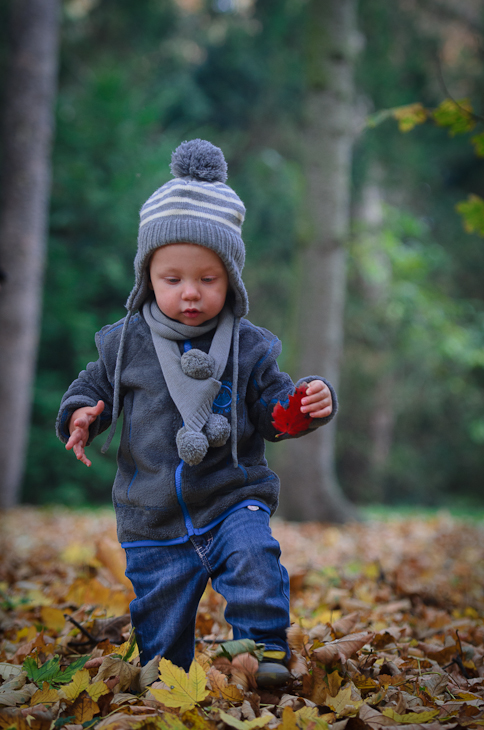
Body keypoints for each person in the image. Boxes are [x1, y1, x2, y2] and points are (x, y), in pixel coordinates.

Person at [56, 139, 337, 687]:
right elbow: (94, 387)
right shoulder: (125, 343)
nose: (190, 293)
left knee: (257, 560)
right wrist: (80, 414)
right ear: (147, 279)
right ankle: (168, 672)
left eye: (207, 279)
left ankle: (262, 651)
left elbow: (271, 410)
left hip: (231, 496)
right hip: (151, 509)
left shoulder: (250, 347)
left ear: (231, 277)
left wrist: (301, 406)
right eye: (172, 279)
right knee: (161, 651)